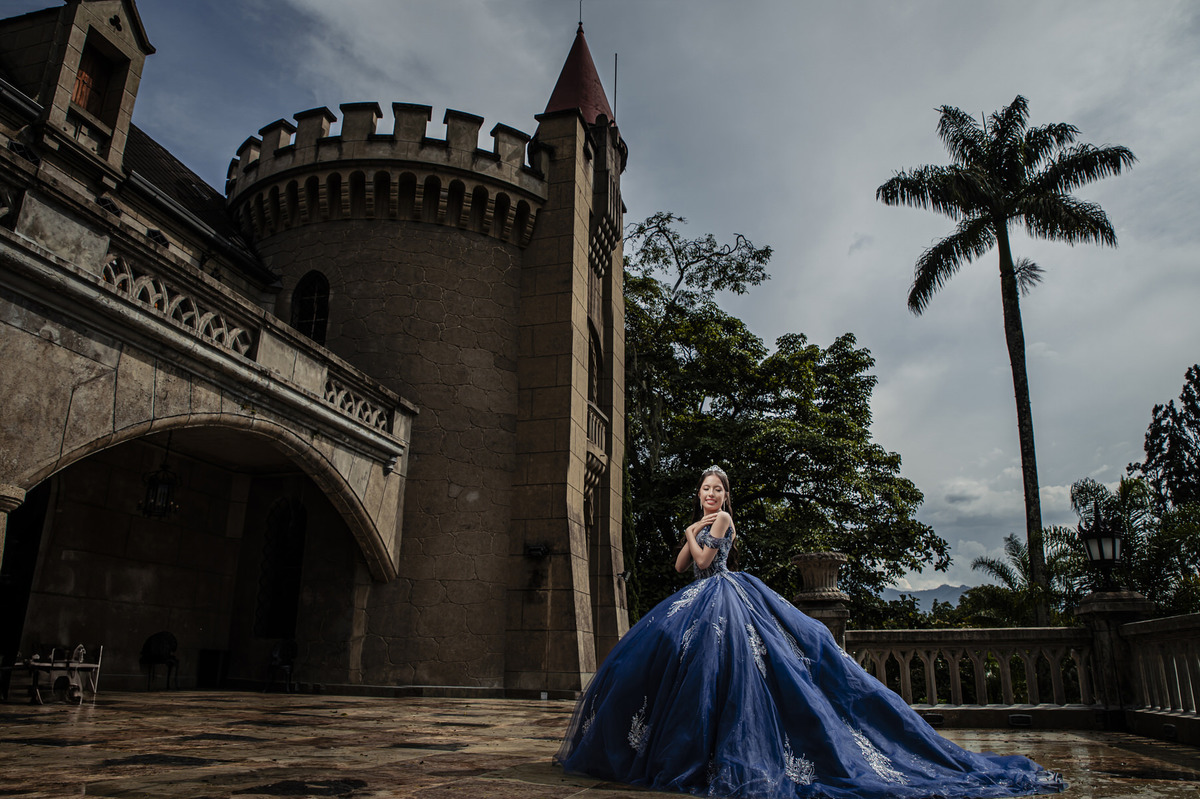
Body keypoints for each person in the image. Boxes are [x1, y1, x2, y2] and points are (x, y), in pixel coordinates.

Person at [556, 465, 1065, 798]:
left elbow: (706, 557)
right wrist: (689, 536)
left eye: (717, 489)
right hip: (695, 602)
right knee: (682, 675)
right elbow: (679, 567)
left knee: (740, 675)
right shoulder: (703, 520)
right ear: (699, 494)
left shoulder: (724, 518)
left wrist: (693, 531)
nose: (711, 495)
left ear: (726, 495)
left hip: (726, 599)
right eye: (705, 490)